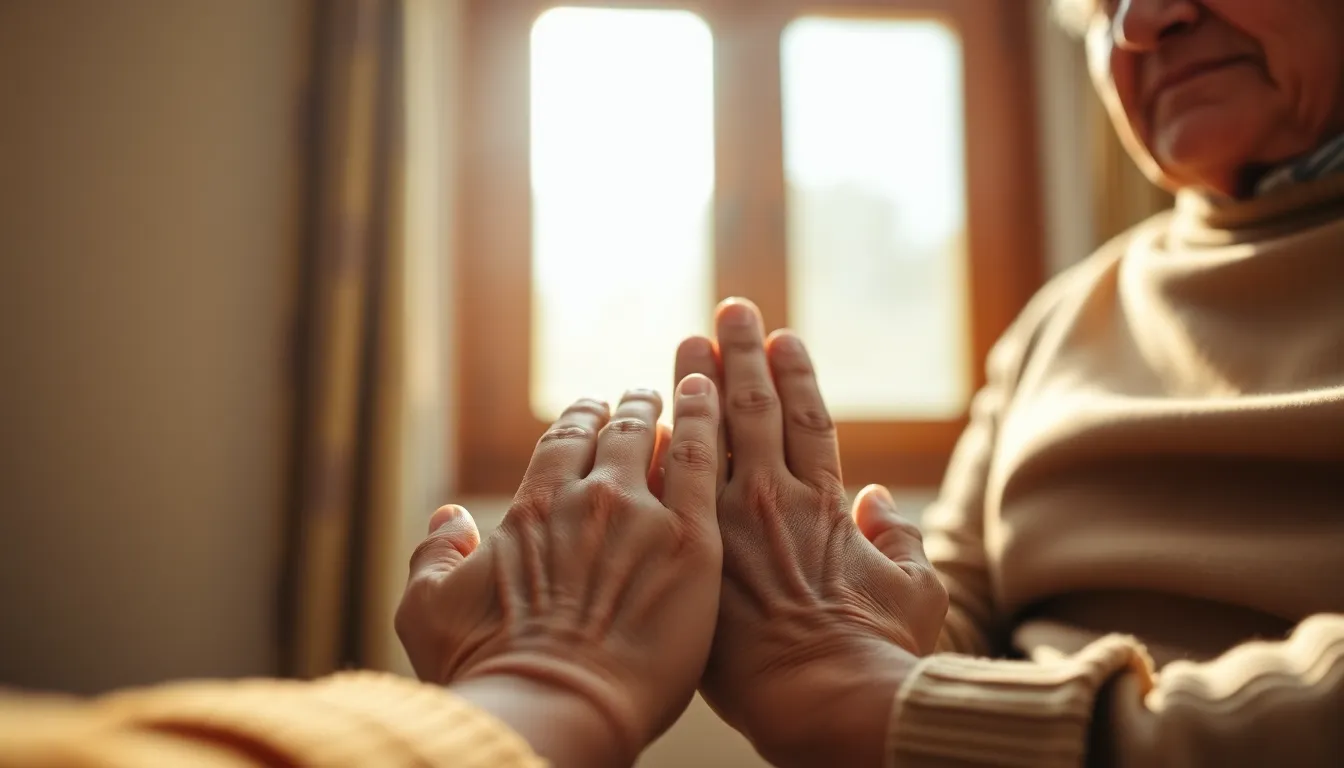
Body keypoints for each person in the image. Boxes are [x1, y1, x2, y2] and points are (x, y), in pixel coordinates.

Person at [2, 0, 1342, 765]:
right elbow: (941, 633)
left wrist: (866, 695)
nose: (1147, 20)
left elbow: (905, 689)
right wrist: (809, 601)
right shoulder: (1063, 321)